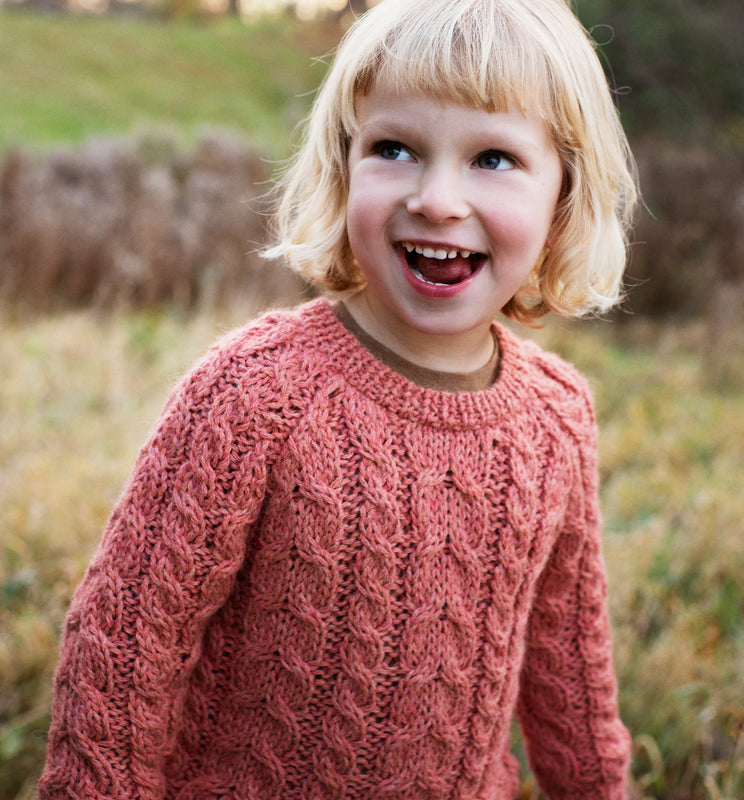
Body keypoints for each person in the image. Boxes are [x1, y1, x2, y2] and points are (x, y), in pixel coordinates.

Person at [39, 0, 638, 798]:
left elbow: (575, 695)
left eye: (493, 158)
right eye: (395, 148)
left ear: (564, 197)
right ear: (342, 165)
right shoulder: (257, 392)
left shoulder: (557, 418)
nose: (438, 199)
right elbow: (121, 656)